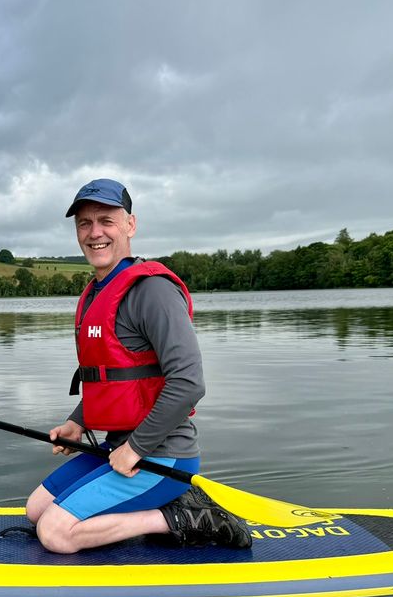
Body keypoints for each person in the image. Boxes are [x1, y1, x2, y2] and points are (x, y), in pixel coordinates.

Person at [25, 178, 252, 554]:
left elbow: (188, 382)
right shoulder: (98, 291)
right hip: (119, 447)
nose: (94, 232)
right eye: (84, 223)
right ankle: (150, 510)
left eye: (106, 220)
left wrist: (135, 447)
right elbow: (116, 378)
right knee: (36, 510)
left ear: (130, 225)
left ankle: (188, 515)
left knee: (54, 534)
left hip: (161, 455)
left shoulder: (152, 291)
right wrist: (77, 422)